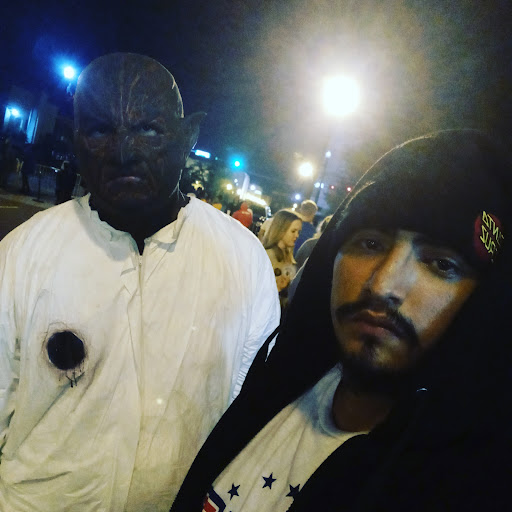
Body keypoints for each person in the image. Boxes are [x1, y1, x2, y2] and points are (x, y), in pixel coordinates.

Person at [171, 130, 512, 512]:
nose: (383, 285)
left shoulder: (471, 484)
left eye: (441, 264)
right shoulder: (277, 386)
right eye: (370, 243)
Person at [0, 53, 280, 512]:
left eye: (148, 129)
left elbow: (246, 414)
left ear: (188, 137)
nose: (123, 151)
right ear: (75, 140)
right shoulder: (25, 252)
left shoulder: (242, 259)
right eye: (99, 130)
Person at [262, 208, 302, 294]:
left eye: (298, 232)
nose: (297, 235)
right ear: (281, 230)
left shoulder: (287, 254)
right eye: (293, 231)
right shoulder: (268, 255)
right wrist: (279, 287)